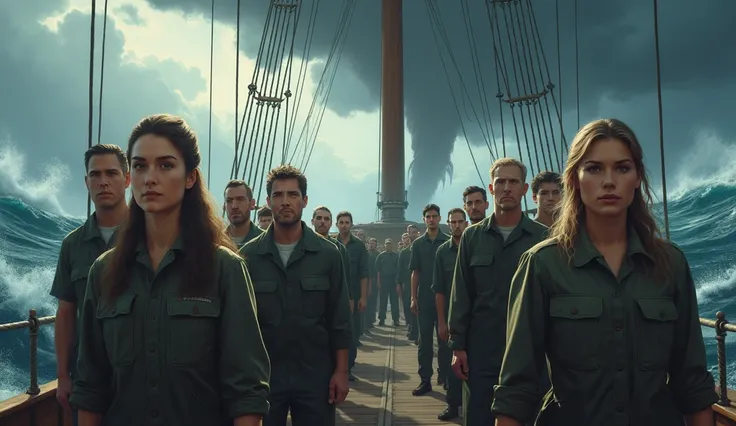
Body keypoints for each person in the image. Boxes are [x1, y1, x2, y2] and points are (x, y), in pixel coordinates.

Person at [492, 118, 719, 426]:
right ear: (574, 178)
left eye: (622, 168)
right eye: (595, 168)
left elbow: (692, 383)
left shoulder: (670, 264)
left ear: (637, 177)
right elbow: (516, 390)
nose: (609, 181)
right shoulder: (542, 264)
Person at [69, 113, 270, 426]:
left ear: (190, 177)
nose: (150, 177)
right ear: (130, 177)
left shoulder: (225, 270)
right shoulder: (104, 271)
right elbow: (91, 386)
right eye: (140, 166)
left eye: (165, 165)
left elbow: (246, 392)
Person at [241, 165, 351, 425]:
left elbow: (340, 318)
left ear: (304, 200)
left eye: (292, 194)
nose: (285, 201)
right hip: (264, 377)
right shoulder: (248, 256)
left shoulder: (328, 254)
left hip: (315, 374)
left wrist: (342, 371)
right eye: (278, 195)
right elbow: (240, 325)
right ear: (268, 202)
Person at [448, 158, 547, 426]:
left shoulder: (544, 238)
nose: (507, 187)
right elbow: (461, 293)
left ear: (525, 189)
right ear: (491, 188)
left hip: (530, 353)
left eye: (513, 182)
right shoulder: (472, 237)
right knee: (479, 416)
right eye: (500, 182)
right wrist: (458, 346)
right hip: (482, 350)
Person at [51, 144, 130, 425]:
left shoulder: (150, 236)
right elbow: (65, 312)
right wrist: (62, 375)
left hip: (140, 377)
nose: (103, 181)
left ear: (128, 179)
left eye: (111, 173)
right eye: (95, 175)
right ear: (86, 182)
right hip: (87, 378)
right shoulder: (72, 245)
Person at [410, 204, 449, 396]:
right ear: (424, 219)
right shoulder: (417, 244)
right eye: (428, 217)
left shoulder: (448, 242)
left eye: (434, 216)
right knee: (424, 342)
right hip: (424, 299)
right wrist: (413, 297)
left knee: (445, 341)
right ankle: (425, 379)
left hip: (445, 299)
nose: (431, 219)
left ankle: (445, 375)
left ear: (440, 218)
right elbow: (415, 272)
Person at [433, 208, 468, 421]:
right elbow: (439, 290)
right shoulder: (442, 252)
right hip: (452, 316)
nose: (456, 225)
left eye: (460, 221)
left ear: (465, 223)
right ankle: (453, 405)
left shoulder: (474, 246)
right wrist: (441, 321)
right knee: (452, 360)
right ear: (448, 223)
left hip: (476, 316)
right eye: (453, 222)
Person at [336, 210, 369, 381]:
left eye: (347, 222)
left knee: (352, 332)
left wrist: (363, 297)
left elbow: (364, 273)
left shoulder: (359, 246)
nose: (344, 225)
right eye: (341, 222)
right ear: (337, 224)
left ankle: (348, 368)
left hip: (354, 296)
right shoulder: (331, 244)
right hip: (334, 297)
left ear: (351, 224)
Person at [224, 179, 263, 247]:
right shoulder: (214, 241)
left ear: (252, 204)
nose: (234, 206)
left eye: (240, 199)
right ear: (224, 206)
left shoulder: (266, 240)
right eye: (229, 201)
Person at [375, 238, 400, 326]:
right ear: (384, 245)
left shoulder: (396, 256)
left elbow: (398, 270)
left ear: (392, 245)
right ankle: (381, 319)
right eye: (387, 244)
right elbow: (378, 270)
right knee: (383, 302)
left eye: (390, 244)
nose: (388, 245)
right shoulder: (380, 256)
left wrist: (398, 283)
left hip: (393, 281)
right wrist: (378, 282)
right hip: (383, 281)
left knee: (394, 302)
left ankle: (396, 319)